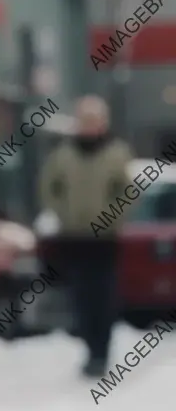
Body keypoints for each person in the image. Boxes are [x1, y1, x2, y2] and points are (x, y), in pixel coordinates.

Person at [38, 95, 133, 377]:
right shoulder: (62, 155)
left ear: (103, 123)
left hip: (104, 241)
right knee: (81, 298)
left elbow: (127, 192)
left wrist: (111, 217)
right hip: (74, 238)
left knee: (103, 298)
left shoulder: (117, 152)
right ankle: (89, 350)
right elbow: (48, 188)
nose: (88, 126)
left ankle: (101, 353)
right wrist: (62, 214)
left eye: (94, 120)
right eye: (84, 120)